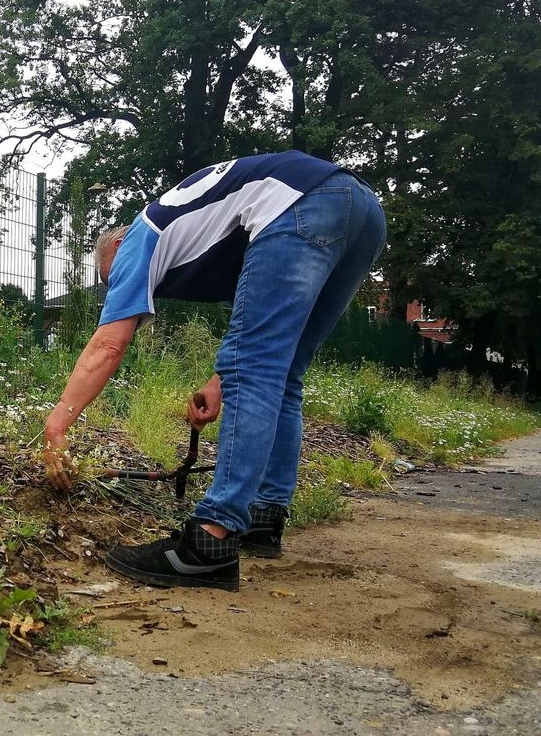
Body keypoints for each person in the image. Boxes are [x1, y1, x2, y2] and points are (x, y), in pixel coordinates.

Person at [42, 150, 386, 591]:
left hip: (303, 203)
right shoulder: (209, 237)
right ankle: (263, 518)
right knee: (285, 375)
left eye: (112, 279)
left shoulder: (139, 238)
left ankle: (211, 541)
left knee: (260, 371)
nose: (120, 288)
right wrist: (218, 381)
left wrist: (57, 425)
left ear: (115, 248)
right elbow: (259, 333)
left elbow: (109, 342)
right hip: (359, 210)